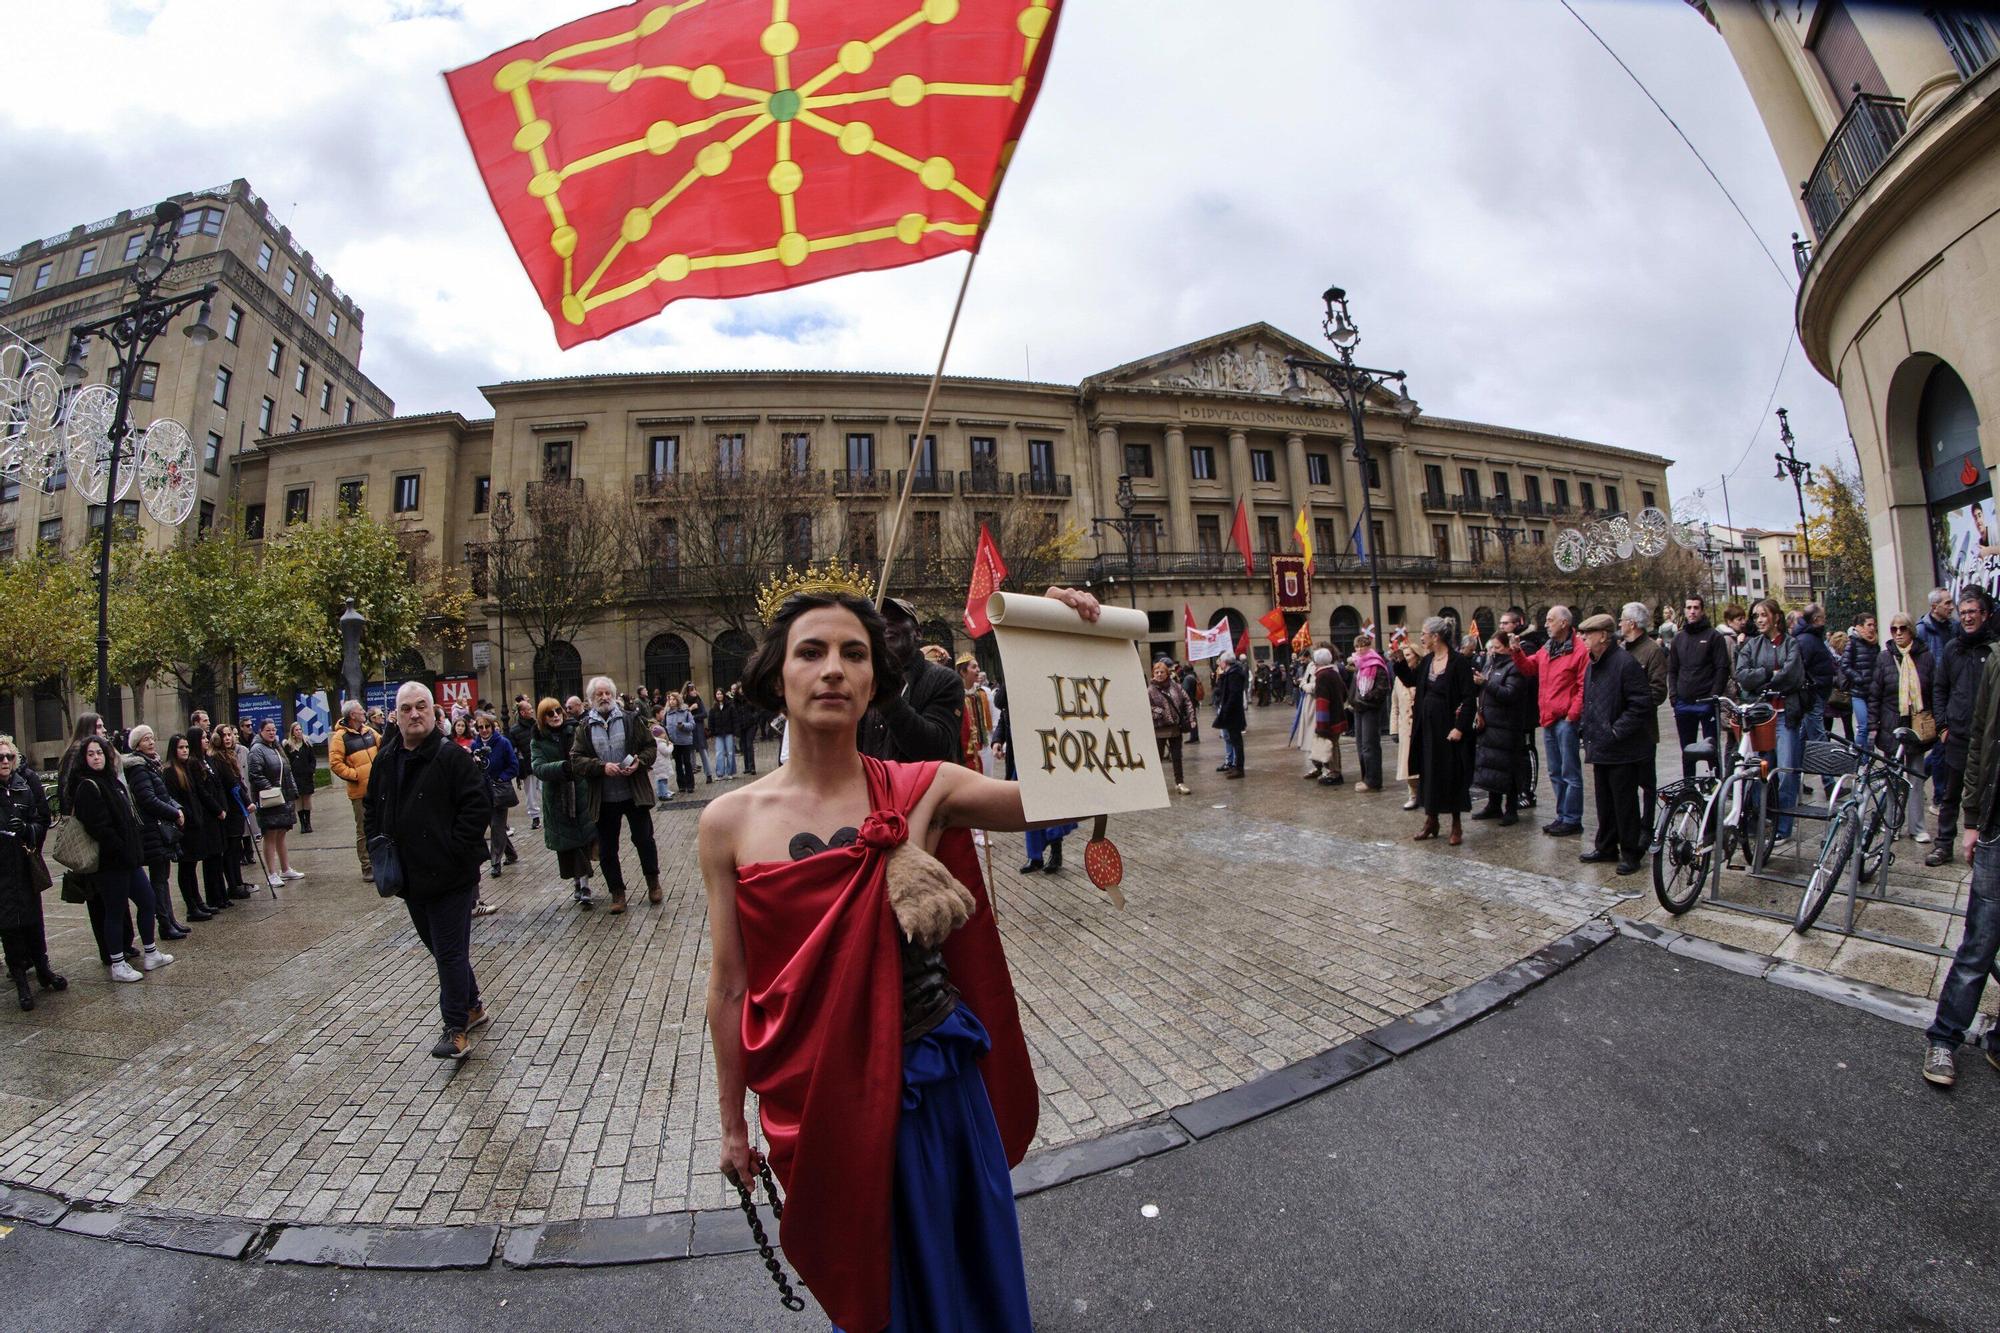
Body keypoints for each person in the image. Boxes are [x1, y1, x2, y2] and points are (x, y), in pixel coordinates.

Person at [698, 588, 1098, 1333]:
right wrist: (730, 1125)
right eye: (811, 652)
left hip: (934, 1091)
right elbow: (729, 985)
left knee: (970, 1283)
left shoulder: (924, 786)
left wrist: (1063, 647)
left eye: (854, 653)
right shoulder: (727, 822)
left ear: (875, 680)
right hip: (820, 1108)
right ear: (776, 676)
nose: (833, 669)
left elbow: (1065, 792)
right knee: (887, 1300)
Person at [364, 683, 491, 1059]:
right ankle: (472, 1005)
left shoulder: (452, 756)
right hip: (410, 877)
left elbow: (476, 806)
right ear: (397, 715)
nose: (414, 714)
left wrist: (454, 848)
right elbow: (372, 807)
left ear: (434, 713)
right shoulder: (387, 758)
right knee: (439, 948)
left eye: (421, 707)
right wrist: (378, 843)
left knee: (450, 951)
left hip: (451, 876)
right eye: (406, 709)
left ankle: (455, 1029)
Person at [1922, 636, 2000, 1087]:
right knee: (1979, 944)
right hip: (1996, 825)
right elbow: (1980, 741)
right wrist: (1971, 818)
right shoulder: (1995, 661)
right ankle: (1945, 1038)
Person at [69, 735, 171, 981]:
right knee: (114, 912)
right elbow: (99, 828)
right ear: (84, 759)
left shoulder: (111, 781)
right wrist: (121, 849)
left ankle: (151, 952)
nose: (96, 757)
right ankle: (117, 963)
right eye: (91, 754)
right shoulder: (87, 786)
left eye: (100, 753)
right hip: (111, 863)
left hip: (129, 859)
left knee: (147, 901)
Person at [573, 675, 664, 914]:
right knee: (607, 849)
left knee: (644, 840)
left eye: (607, 693)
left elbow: (650, 748)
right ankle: (618, 893)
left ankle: (653, 883)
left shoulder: (630, 719)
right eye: (598, 695)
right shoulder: (584, 727)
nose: (604, 698)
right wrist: (601, 767)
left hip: (633, 792)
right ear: (590, 699)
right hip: (603, 798)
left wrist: (639, 762)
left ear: (614, 696)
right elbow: (576, 759)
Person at [1575, 614, 1654, 875]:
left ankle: (1630, 852)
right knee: (1604, 800)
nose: (1584, 638)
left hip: (1623, 748)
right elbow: (1589, 701)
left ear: (1604, 636)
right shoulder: (1592, 665)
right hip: (1601, 745)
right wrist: (1586, 727)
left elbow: (1640, 704)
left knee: (1624, 802)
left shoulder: (1625, 664)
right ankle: (1606, 846)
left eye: (1588, 634)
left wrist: (1616, 731)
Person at [1927, 588, 1995, 865]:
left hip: (1989, 738)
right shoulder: (1953, 648)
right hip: (1956, 735)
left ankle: (1987, 844)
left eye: (1972, 612)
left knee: (1988, 791)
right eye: (1963, 612)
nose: (1967, 617)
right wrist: (1943, 726)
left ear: (1985, 615)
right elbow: (1940, 688)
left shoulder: (1994, 649)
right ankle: (1943, 844)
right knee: (1949, 794)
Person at [1395, 616, 1477, 845]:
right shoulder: (1428, 660)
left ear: (1436, 636)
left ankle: (1456, 824)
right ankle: (1431, 820)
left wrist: (1460, 728)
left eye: (1424, 634)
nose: (1421, 637)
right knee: (1428, 773)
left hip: (1448, 728)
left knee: (1451, 774)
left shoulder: (1458, 662)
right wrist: (1400, 662)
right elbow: (1413, 680)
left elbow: (1469, 698)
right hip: (1427, 728)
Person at [1511, 606, 1589, 838]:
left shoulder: (1579, 651)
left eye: (1550, 620)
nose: (1546, 624)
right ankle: (1562, 815)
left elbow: (1583, 687)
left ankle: (1572, 818)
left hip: (1565, 720)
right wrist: (1516, 653)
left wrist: (1572, 714)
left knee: (1570, 771)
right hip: (1548, 718)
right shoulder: (1547, 649)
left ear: (1564, 623)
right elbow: (1528, 668)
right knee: (1555, 771)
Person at [1733, 598, 1806, 840]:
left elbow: (1792, 675)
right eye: (1756, 616)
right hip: (1762, 718)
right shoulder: (1752, 645)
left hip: (1786, 717)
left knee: (1785, 771)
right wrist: (1768, 673)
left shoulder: (1791, 644)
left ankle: (1783, 826)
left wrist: (1764, 679)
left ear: (1776, 616)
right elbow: (1742, 675)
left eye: (1763, 615)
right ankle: (1761, 817)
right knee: (1761, 771)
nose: (1759, 620)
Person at [0, 735, 63, 1009]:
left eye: (8, 757)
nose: (4, 761)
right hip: (2, 870)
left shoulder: (24, 786)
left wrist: (28, 830)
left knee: (33, 919)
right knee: (9, 926)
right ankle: (21, 981)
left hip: (24, 866)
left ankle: (43, 968)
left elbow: (41, 820)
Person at [122, 726, 190, 940]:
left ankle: (170, 919)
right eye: (145, 740)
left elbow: (163, 794)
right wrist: (174, 812)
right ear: (137, 745)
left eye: (152, 738)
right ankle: (165, 923)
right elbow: (148, 799)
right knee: (159, 880)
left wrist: (177, 808)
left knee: (163, 878)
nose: (151, 742)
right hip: (152, 831)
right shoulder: (139, 768)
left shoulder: (151, 765)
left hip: (160, 828)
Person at [1874, 614, 1935, 840]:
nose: (1898, 633)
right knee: (1892, 778)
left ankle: (1917, 827)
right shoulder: (1884, 658)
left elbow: (1933, 690)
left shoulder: (1926, 657)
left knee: (1916, 779)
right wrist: (1873, 726)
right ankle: (1892, 824)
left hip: (1917, 725)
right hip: (1891, 723)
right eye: (1893, 629)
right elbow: (1875, 694)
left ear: (1911, 630)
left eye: (1902, 628)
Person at [1668, 594, 1734, 780]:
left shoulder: (1714, 637)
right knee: (1687, 750)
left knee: (1711, 749)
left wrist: (1714, 695)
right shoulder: (1678, 639)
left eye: (1696, 607)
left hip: (1706, 702)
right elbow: (1672, 670)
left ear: (1702, 610)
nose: (1692, 611)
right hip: (1683, 702)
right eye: (1689, 607)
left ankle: (1715, 786)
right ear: (1684, 610)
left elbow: (1722, 668)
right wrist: (1674, 695)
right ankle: (1688, 788)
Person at [1471, 636, 1534, 826]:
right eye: (1491, 647)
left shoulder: (1514, 667)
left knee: (1509, 768)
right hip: (1490, 724)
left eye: (1497, 647)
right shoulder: (1490, 665)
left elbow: (1509, 694)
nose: (1492, 651)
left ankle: (1511, 808)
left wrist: (1485, 683)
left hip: (1507, 726)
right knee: (1492, 765)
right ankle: (1494, 804)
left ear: (1507, 648)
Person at [162, 732, 225, 920]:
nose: (184, 750)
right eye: (181, 747)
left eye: (187, 747)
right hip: (185, 826)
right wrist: (187, 817)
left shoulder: (187, 767)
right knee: (186, 867)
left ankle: (198, 901)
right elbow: (174, 798)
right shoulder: (170, 771)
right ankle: (191, 906)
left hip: (195, 823)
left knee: (192, 867)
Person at [1620, 602, 1670, 828]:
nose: (1620, 623)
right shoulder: (1621, 650)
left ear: (1632, 623)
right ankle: (1630, 825)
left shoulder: (1652, 651)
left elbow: (1658, 691)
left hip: (1643, 730)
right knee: (1625, 784)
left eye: (1622, 619)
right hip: (1622, 729)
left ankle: (1647, 826)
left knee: (1647, 783)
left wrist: (1633, 708)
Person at [329, 702, 381, 883]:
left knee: (381, 826)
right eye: (360, 710)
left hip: (377, 788)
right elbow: (335, 764)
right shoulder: (340, 737)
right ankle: (367, 867)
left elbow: (383, 748)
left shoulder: (369, 732)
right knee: (364, 830)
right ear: (352, 715)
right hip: (360, 791)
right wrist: (356, 775)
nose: (363, 712)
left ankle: (381, 862)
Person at [247, 719, 301, 888]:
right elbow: (255, 774)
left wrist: (292, 790)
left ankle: (285, 868)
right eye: (268, 730)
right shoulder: (257, 750)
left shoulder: (276, 747)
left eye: (273, 730)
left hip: (283, 797)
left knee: (282, 833)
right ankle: (271, 873)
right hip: (270, 799)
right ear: (261, 731)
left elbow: (287, 770)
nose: (271, 732)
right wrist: (271, 789)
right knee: (270, 834)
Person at [471, 712, 520, 891]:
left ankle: (495, 862)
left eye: (487, 726)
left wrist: (501, 777)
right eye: (481, 727)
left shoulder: (503, 743)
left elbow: (514, 765)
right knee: (494, 826)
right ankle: (511, 853)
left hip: (499, 790)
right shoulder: (474, 745)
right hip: (483, 791)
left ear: (493, 726)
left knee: (497, 824)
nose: (484, 730)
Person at [206, 726, 255, 900]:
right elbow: (231, 782)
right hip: (230, 806)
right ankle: (233, 884)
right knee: (231, 848)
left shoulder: (229, 755)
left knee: (236, 847)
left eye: (229, 735)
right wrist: (247, 801)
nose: (227, 738)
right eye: (223, 735)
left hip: (236, 806)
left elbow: (239, 780)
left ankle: (238, 881)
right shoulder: (218, 758)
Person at [1348, 631, 1391, 793]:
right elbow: (1354, 686)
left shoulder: (1376, 664)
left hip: (1370, 708)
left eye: (1362, 646)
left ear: (1369, 646)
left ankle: (1373, 780)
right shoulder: (1358, 665)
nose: (1359, 649)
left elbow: (1382, 689)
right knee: (1360, 744)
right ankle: (1365, 777)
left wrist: (1366, 699)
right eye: (1357, 646)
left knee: (1369, 745)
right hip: (1359, 708)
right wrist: (1353, 700)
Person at [1148, 658, 1193, 795]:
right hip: (1159, 729)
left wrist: (1192, 718)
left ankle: (1179, 783)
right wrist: (1161, 712)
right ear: (1153, 674)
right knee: (1158, 758)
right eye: (1157, 672)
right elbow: (1147, 708)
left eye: (1162, 672)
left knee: (1177, 757)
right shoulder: (1150, 690)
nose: (1159, 674)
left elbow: (1187, 701)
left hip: (1175, 729)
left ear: (1167, 673)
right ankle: (1155, 784)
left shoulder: (1176, 687)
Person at [1306, 647, 1347, 786]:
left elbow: (1322, 702)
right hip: (1338, 714)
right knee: (1334, 745)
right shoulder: (1334, 673)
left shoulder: (1322, 676)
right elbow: (1344, 693)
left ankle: (1334, 773)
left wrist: (1322, 725)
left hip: (1329, 718)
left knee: (1330, 745)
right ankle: (1334, 771)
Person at [1842, 615, 1881, 752]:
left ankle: (1867, 759)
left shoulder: (1874, 643)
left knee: (1872, 729)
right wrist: (1858, 678)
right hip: (1858, 693)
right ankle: (1857, 759)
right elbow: (1845, 665)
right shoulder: (1852, 642)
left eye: (1873, 625)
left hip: (1873, 692)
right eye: (1869, 625)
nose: (1872, 628)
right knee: (1863, 726)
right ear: (1860, 627)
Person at [1211, 651, 1248, 779]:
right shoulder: (1229, 673)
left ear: (1225, 662)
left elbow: (1233, 694)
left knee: (1237, 742)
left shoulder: (1234, 674)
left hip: (1234, 714)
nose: (1219, 663)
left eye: (1220, 660)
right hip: (1232, 713)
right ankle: (1235, 767)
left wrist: (1226, 710)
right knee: (1233, 740)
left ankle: (1239, 768)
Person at [956, 654, 994, 772]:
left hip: (985, 746)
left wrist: (994, 742)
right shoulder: (955, 695)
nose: (978, 670)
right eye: (974, 667)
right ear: (963, 672)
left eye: (978, 666)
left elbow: (993, 719)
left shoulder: (985, 693)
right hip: (964, 751)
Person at [508, 697, 542, 829]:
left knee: (544, 789)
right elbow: (514, 749)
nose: (532, 711)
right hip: (527, 765)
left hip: (541, 761)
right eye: (529, 709)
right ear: (522, 712)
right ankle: (535, 817)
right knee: (531, 793)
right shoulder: (514, 730)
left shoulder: (537, 725)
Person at [283, 721, 317, 834]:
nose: (298, 732)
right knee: (298, 800)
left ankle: (308, 823)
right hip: (295, 776)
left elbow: (312, 759)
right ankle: (302, 823)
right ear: (292, 732)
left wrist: (311, 770)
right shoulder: (288, 746)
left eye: (300, 729)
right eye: (296, 730)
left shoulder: (307, 744)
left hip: (306, 775)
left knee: (307, 798)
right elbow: (287, 761)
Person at [663, 692, 698, 793]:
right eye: (670, 699)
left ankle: (690, 785)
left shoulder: (685, 712)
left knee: (687, 763)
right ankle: (681, 785)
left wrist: (683, 726)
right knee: (678, 764)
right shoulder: (667, 713)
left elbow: (692, 725)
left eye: (674, 699)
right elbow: (664, 727)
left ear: (678, 700)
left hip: (685, 741)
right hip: (674, 742)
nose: (672, 701)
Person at [684, 681, 714, 785]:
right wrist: (690, 709)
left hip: (699, 729)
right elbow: (683, 716)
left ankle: (709, 774)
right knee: (690, 754)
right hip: (689, 731)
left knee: (703, 753)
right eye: (691, 690)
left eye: (695, 689)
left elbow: (704, 714)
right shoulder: (684, 702)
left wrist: (693, 717)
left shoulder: (698, 701)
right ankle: (690, 778)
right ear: (687, 692)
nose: (694, 692)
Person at [711, 688, 739, 780]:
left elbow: (734, 718)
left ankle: (730, 772)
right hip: (719, 733)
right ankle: (720, 773)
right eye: (717, 694)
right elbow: (711, 721)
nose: (719, 696)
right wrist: (712, 732)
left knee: (730, 753)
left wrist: (735, 731)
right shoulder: (714, 707)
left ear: (723, 695)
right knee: (719, 753)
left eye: (720, 694)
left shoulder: (730, 706)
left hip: (728, 732)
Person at [1179, 660, 1203, 743]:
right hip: (1194, 700)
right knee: (1193, 719)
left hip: (1190, 701)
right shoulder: (1194, 676)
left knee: (1192, 719)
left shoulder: (1188, 678)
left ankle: (1194, 738)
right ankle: (1194, 737)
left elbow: (1184, 690)